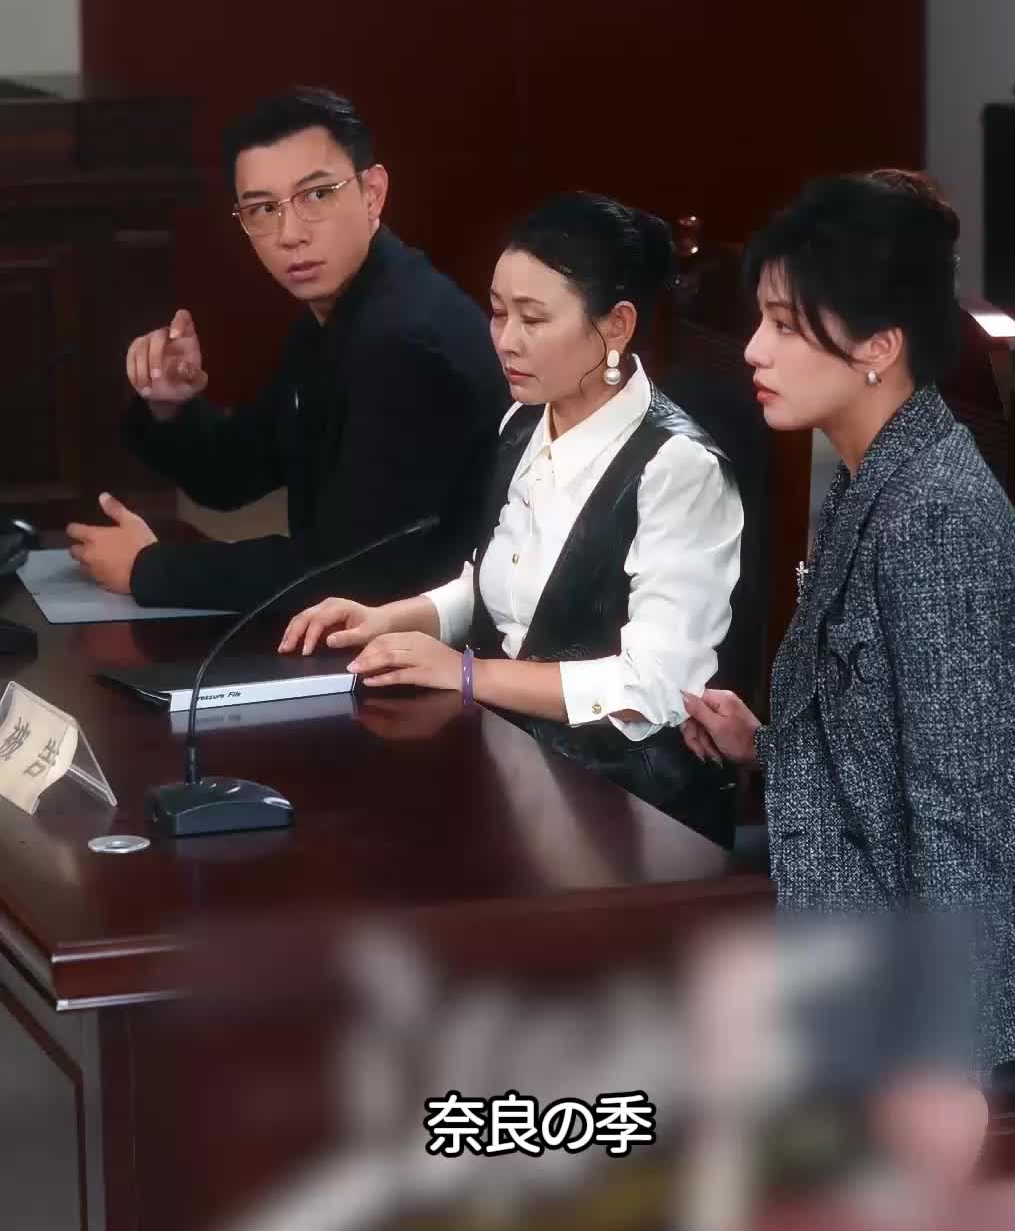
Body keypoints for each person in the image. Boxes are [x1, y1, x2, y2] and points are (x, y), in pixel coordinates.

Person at [682, 170, 1015, 1066]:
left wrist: (945, 1050)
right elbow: (889, 747)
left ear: (879, 346)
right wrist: (763, 745)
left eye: (786, 326)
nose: (753, 351)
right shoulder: (882, 469)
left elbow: (961, 811)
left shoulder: (933, 519)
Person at [282, 191, 745, 845]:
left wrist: (466, 674)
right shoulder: (524, 421)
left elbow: (656, 686)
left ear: (616, 326)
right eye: (498, 312)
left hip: (628, 808)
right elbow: (499, 583)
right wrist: (393, 617)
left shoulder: (678, 467)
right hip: (517, 766)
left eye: (533, 318)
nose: (505, 340)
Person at [66, 87, 508, 613]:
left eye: (316, 196)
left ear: (372, 193)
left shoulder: (403, 340)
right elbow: (233, 475)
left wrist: (148, 569)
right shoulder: (336, 317)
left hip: (443, 640)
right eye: (263, 208)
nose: (289, 234)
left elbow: (352, 571)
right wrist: (169, 404)